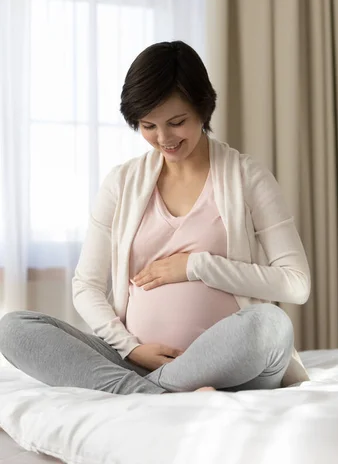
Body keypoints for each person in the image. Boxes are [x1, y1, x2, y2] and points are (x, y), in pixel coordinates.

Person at [0, 40, 311, 395]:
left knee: (271, 325)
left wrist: (197, 266)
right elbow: (86, 286)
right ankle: (156, 392)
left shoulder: (247, 178)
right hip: (136, 360)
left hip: (234, 367)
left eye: (176, 122)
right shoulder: (121, 183)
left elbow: (296, 283)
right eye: (148, 126)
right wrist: (131, 348)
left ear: (203, 109)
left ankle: (143, 393)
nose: (164, 139)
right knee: (15, 328)